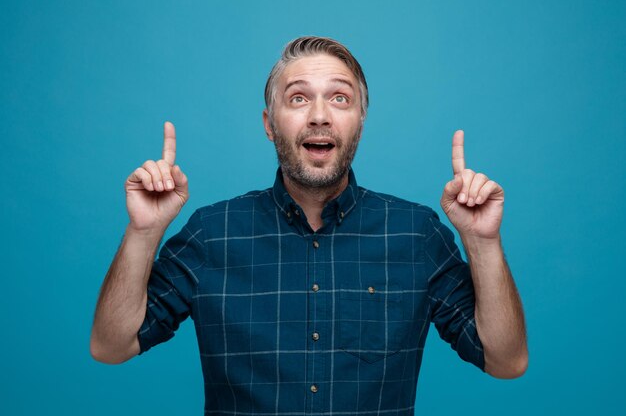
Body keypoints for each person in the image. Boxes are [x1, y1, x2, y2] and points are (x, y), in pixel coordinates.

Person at [90, 36, 527, 415]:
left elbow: (505, 361)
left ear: (360, 121)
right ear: (269, 124)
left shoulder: (416, 233)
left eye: (340, 98)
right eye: (298, 98)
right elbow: (111, 346)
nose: (319, 115)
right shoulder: (212, 232)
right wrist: (143, 233)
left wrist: (482, 240)